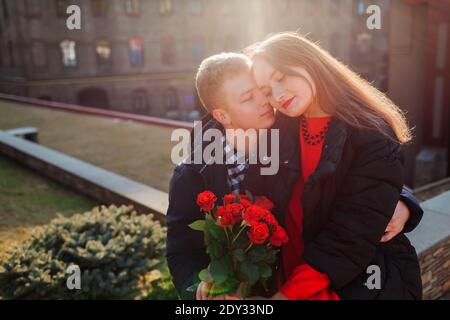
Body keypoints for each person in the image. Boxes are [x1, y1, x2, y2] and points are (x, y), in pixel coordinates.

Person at [165, 52, 423, 300]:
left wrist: (403, 201)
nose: (268, 100)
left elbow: (350, 172)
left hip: (310, 280)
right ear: (223, 115)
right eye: (248, 98)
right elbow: (181, 252)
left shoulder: (289, 127)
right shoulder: (192, 175)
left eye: (263, 90)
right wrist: (200, 290)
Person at [242, 32, 423, 299]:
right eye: (267, 91)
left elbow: (350, 233)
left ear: (309, 62)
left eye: (280, 77)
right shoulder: (279, 129)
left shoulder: (371, 133)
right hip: (285, 277)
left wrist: (285, 297)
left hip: (350, 284)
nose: (277, 96)